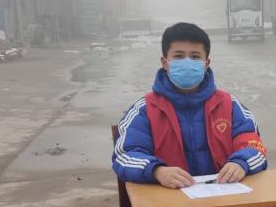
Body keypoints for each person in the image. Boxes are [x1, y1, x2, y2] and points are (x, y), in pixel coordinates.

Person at [113, 22, 267, 188]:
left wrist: (241, 163)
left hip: (223, 196)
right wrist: (156, 170)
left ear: (206, 63)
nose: (187, 62)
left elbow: (255, 148)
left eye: (195, 57)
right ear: (164, 62)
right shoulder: (144, 110)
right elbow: (124, 156)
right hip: (167, 198)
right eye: (179, 56)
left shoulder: (230, 106)